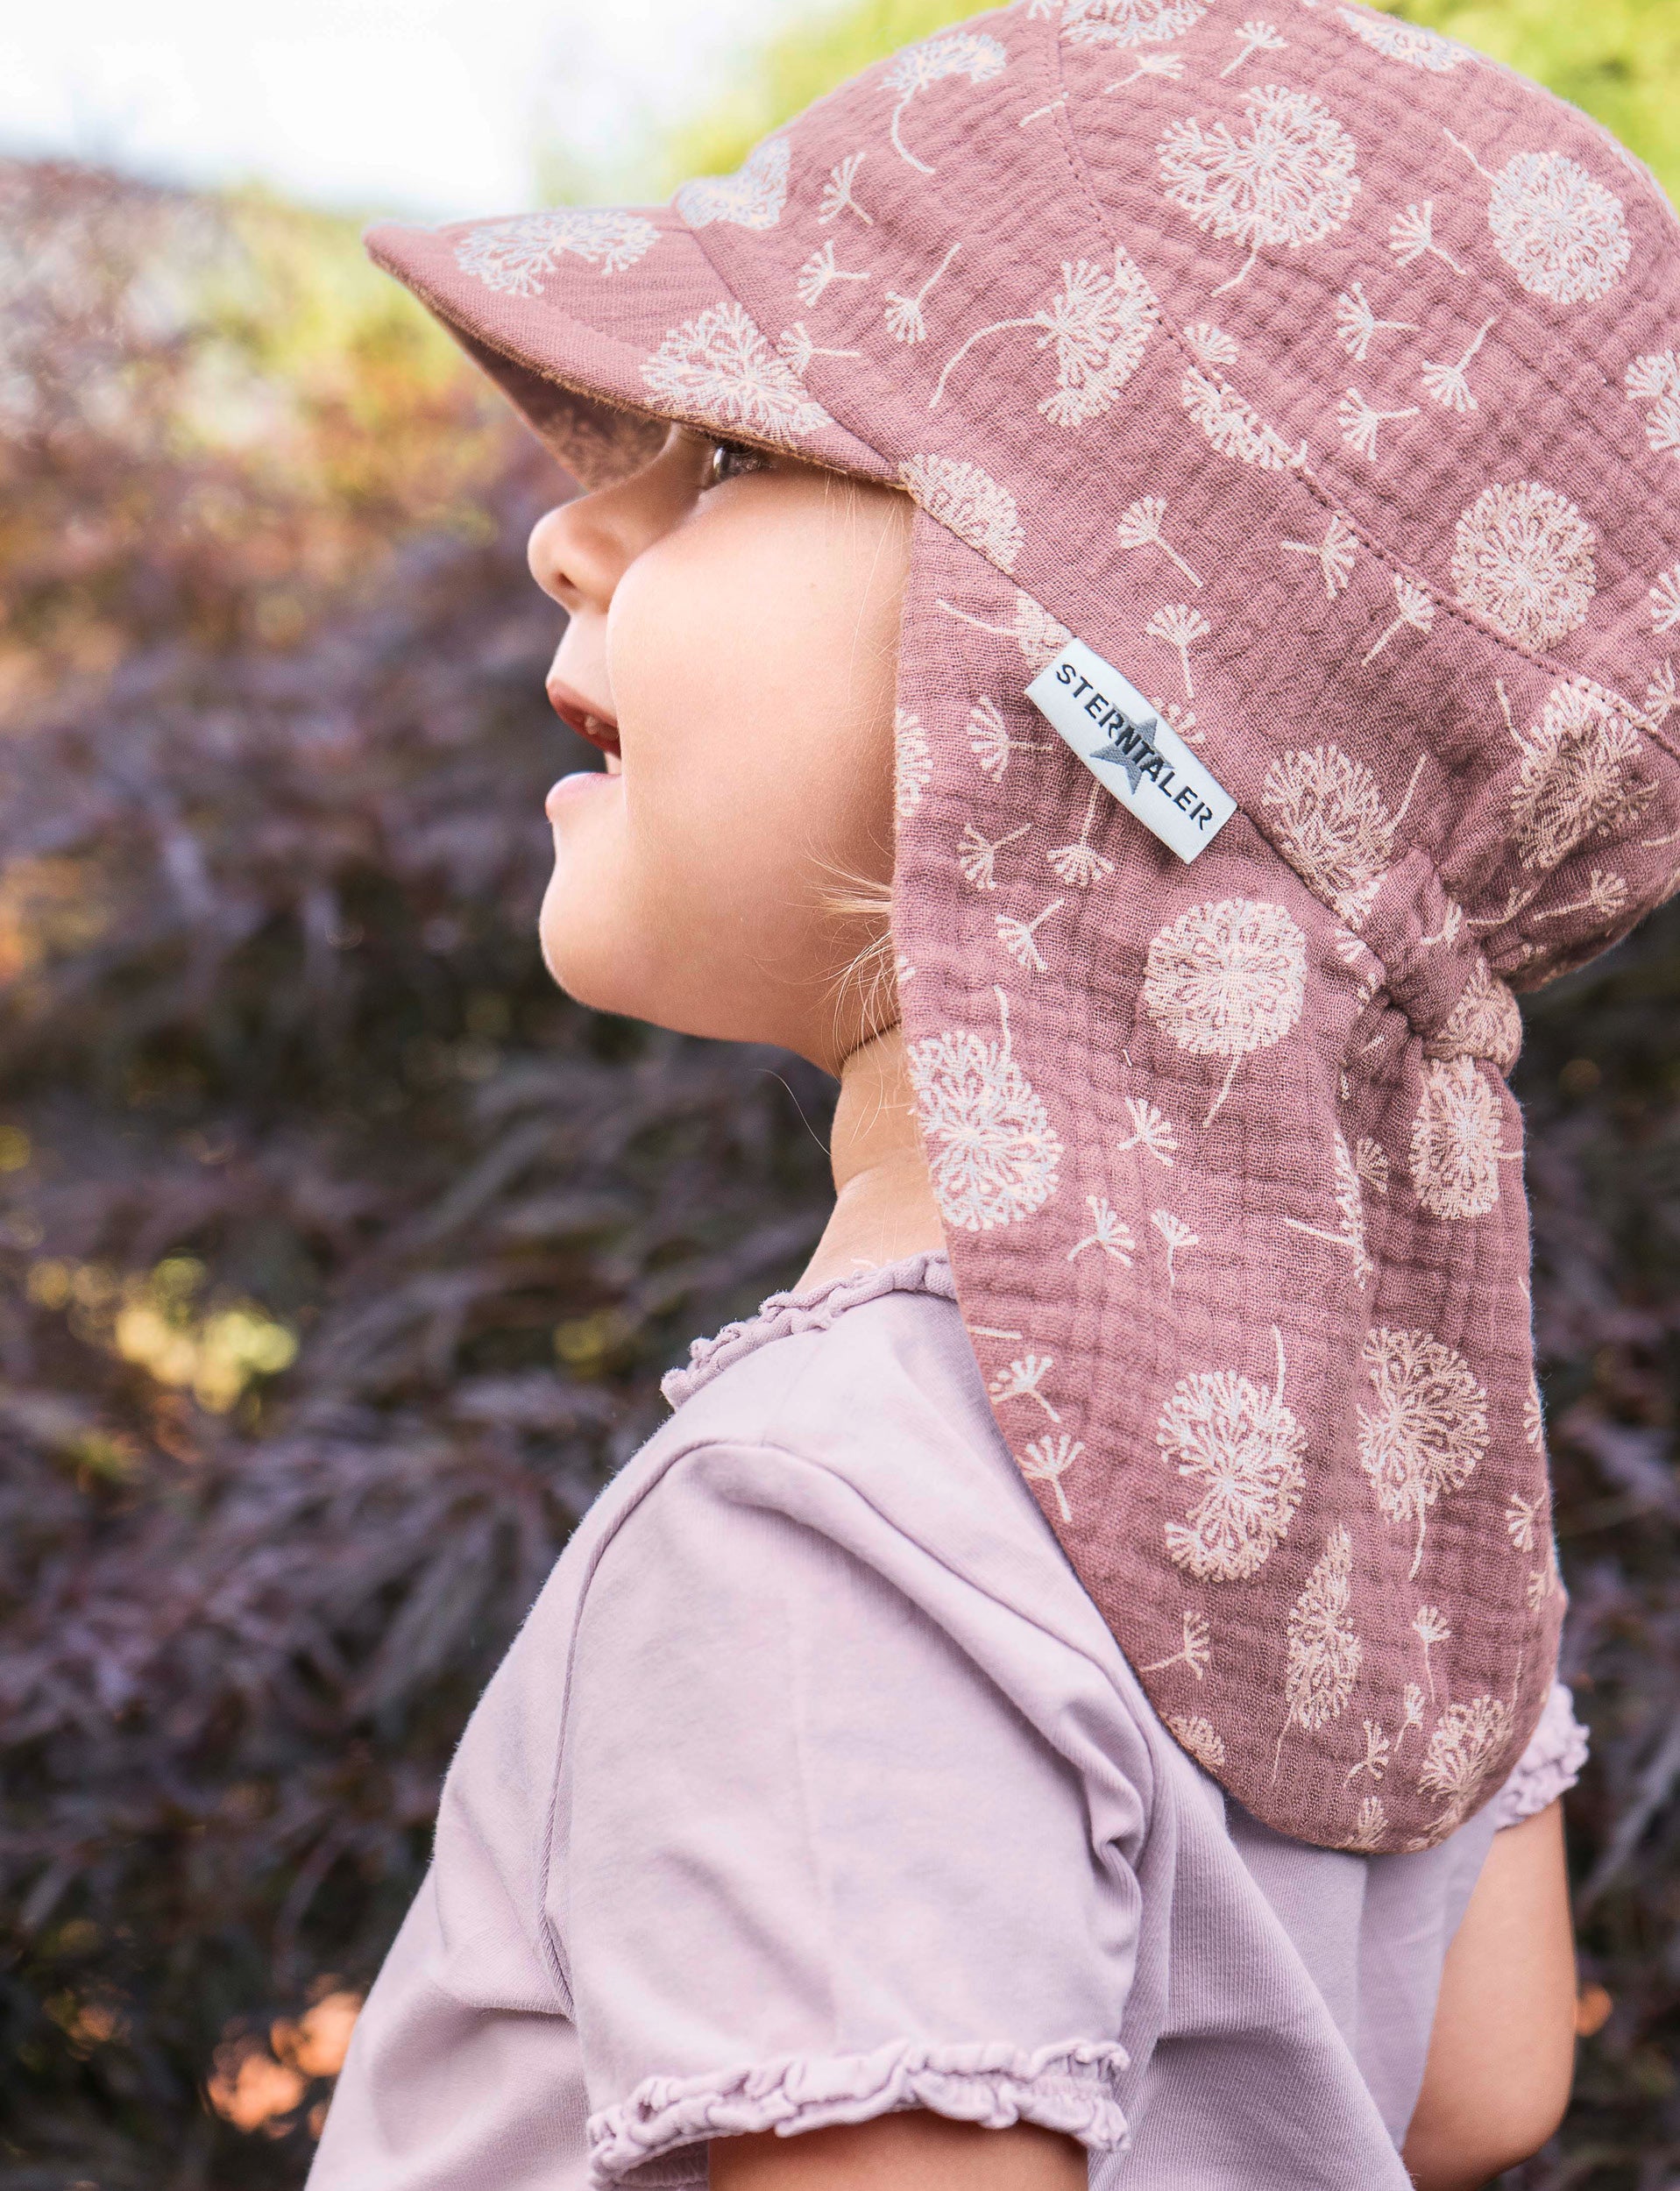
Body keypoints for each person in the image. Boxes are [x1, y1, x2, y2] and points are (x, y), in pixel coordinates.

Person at [310, 3, 1680, 2184]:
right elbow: (1466, 2075)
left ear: (1070, 682)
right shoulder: (1356, 1436)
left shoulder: (824, 1523)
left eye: (734, 455)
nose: (575, 537)